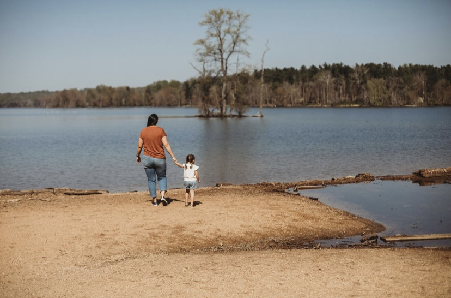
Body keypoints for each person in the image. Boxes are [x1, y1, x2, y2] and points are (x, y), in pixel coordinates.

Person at [136, 114, 177, 207]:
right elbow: (166, 145)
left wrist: (137, 156)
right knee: (162, 177)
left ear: (149, 121)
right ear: (156, 121)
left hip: (147, 159)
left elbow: (139, 146)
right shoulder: (160, 130)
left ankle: (154, 201)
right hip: (160, 158)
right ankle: (162, 196)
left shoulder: (143, 131)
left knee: (151, 180)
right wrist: (173, 156)